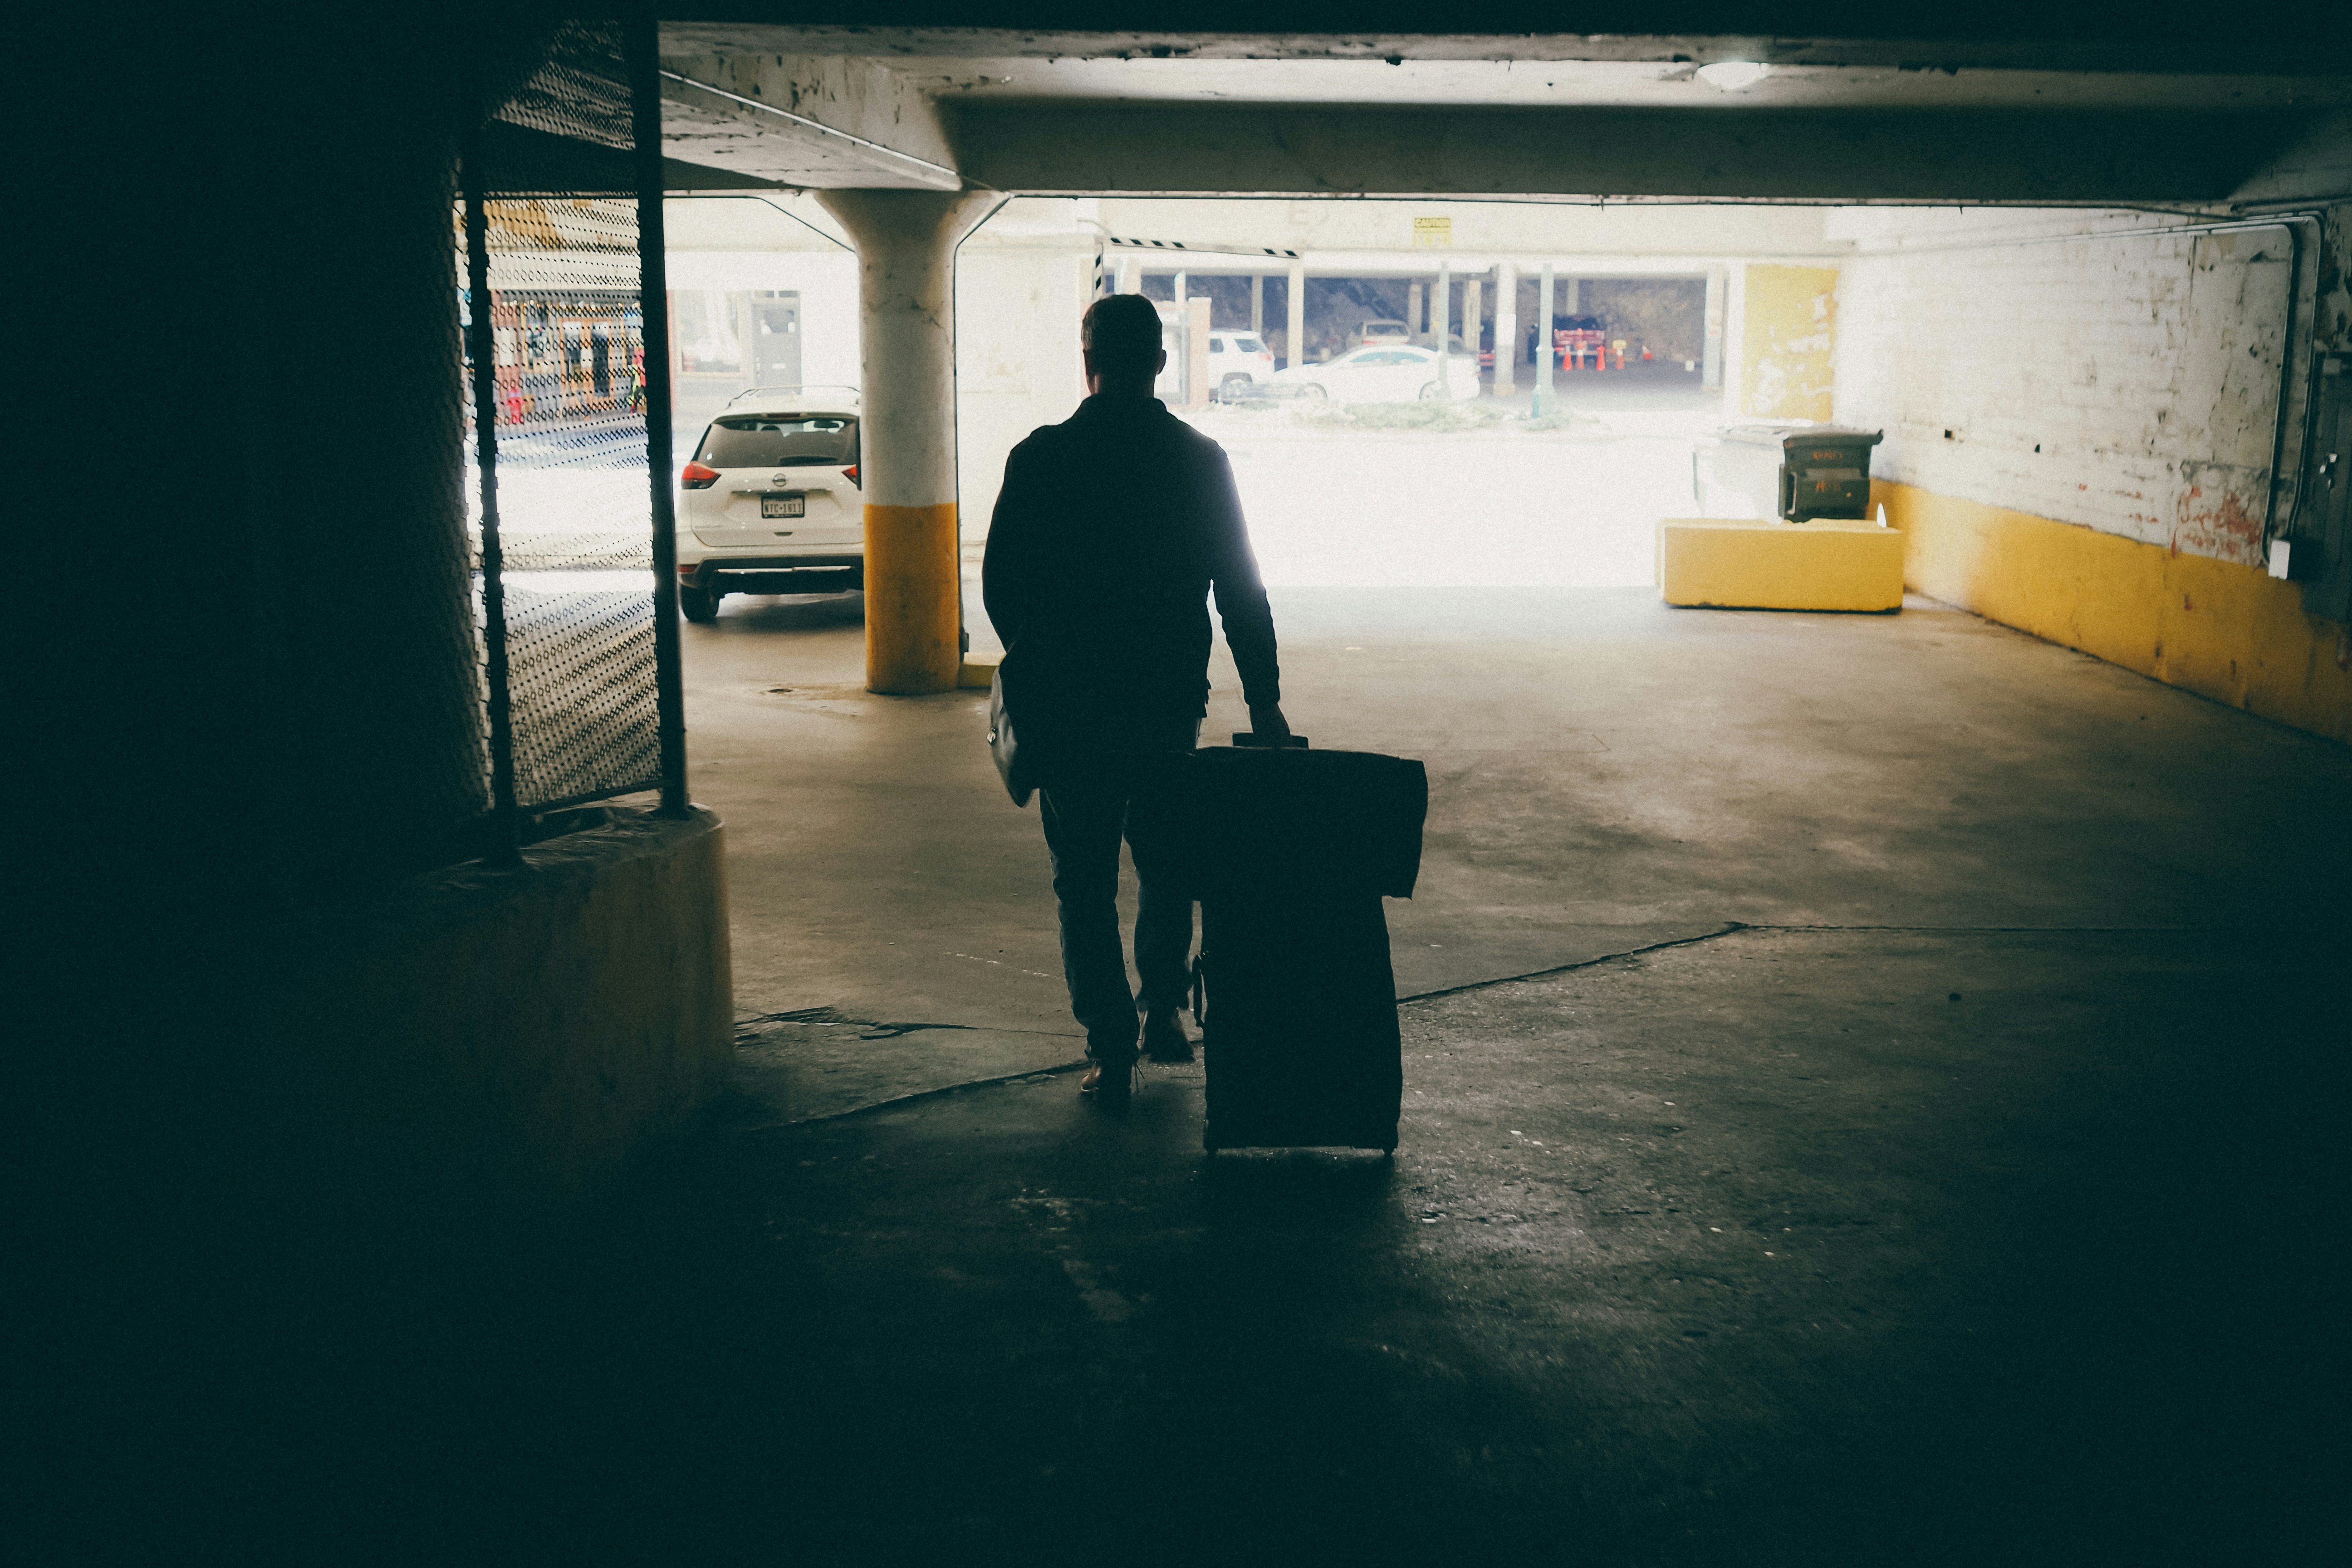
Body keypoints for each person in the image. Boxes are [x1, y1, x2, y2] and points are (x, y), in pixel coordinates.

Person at [983, 294, 1290, 1107]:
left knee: (1082, 880)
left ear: (1087, 361)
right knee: (1168, 860)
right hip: (1165, 704)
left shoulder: (1041, 458)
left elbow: (1001, 587)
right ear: (1161, 361)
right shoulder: (1198, 459)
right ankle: (1162, 1010)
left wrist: (1044, 660)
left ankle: (1110, 1051)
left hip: (1071, 709)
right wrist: (1264, 700)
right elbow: (1240, 586)